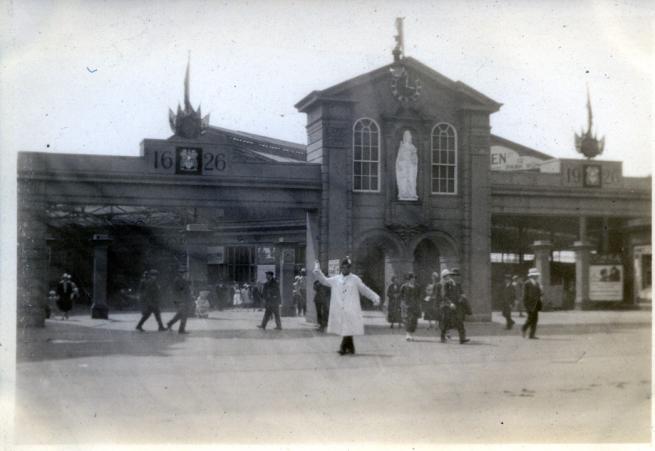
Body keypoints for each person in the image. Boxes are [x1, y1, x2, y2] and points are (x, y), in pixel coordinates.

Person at [313, 257, 380, 355]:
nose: (345, 269)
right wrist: (317, 269)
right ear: (341, 268)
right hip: (340, 308)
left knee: (347, 328)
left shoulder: (355, 279)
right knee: (346, 328)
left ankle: (343, 348)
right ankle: (351, 348)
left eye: (348, 267)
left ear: (350, 268)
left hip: (351, 308)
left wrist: (375, 297)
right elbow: (324, 281)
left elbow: (364, 289)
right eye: (344, 267)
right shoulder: (336, 279)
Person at [439, 269, 470, 344]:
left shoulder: (458, 284)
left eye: (456, 275)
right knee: (446, 322)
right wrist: (450, 303)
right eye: (453, 275)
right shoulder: (446, 284)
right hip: (448, 306)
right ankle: (442, 337)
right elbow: (444, 296)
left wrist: (462, 297)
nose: (455, 277)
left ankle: (462, 339)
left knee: (460, 321)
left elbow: (462, 293)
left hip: (457, 306)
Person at [166, 268, 193, 334]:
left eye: (185, 273)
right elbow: (182, 290)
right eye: (184, 273)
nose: (186, 274)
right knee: (184, 314)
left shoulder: (182, 280)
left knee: (180, 314)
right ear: (181, 273)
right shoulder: (179, 280)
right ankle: (181, 330)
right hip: (181, 300)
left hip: (182, 300)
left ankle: (170, 323)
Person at [395, 130, 419, 201]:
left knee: (412, 179)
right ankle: (403, 193)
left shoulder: (412, 147)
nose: (409, 137)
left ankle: (412, 194)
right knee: (403, 180)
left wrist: (413, 158)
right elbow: (399, 158)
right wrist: (399, 164)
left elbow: (415, 159)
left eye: (409, 135)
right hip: (404, 166)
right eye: (407, 136)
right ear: (405, 137)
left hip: (411, 166)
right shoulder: (402, 147)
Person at [521, 268, 543, 339]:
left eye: (537, 275)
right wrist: (525, 304)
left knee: (535, 319)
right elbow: (525, 295)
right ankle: (524, 328)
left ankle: (532, 335)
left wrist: (541, 290)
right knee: (530, 318)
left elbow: (540, 294)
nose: (536, 276)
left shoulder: (537, 284)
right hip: (529, 304)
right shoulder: (527, 283)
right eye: (535, 275)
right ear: (531, 276)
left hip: (536, 304)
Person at [401, 274, 421, 341]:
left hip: (415, 305)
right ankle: (408, 334)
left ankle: (411, 334)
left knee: (414, 320)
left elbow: (419, 296)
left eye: (414, 278)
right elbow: (401, 296)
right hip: (407, 305)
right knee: (408, 319)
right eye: (412, 278)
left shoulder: (417, 286)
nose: (413, 279)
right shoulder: (404, 286)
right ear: (409, 279)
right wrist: (403, 304)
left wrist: (418, 304)